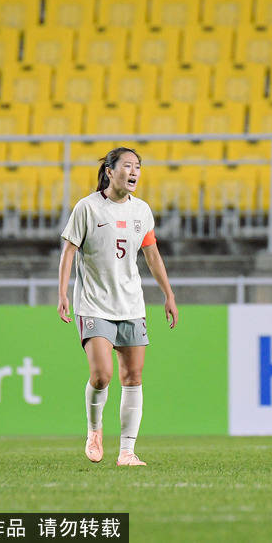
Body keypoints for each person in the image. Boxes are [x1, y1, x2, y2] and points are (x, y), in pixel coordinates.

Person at [58, 147, 178, 467]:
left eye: (138, 166)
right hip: (94, 304)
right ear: (110, 172)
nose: (134, 171)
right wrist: (62, 293)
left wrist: (168, 294)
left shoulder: (142, 211)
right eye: (127, 165)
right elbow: (69, 251)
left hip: (131, 305)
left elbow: (151, 255)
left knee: (133, 376)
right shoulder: (88, 208)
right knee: (101, 375)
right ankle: (94, 431)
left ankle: (127, 451)